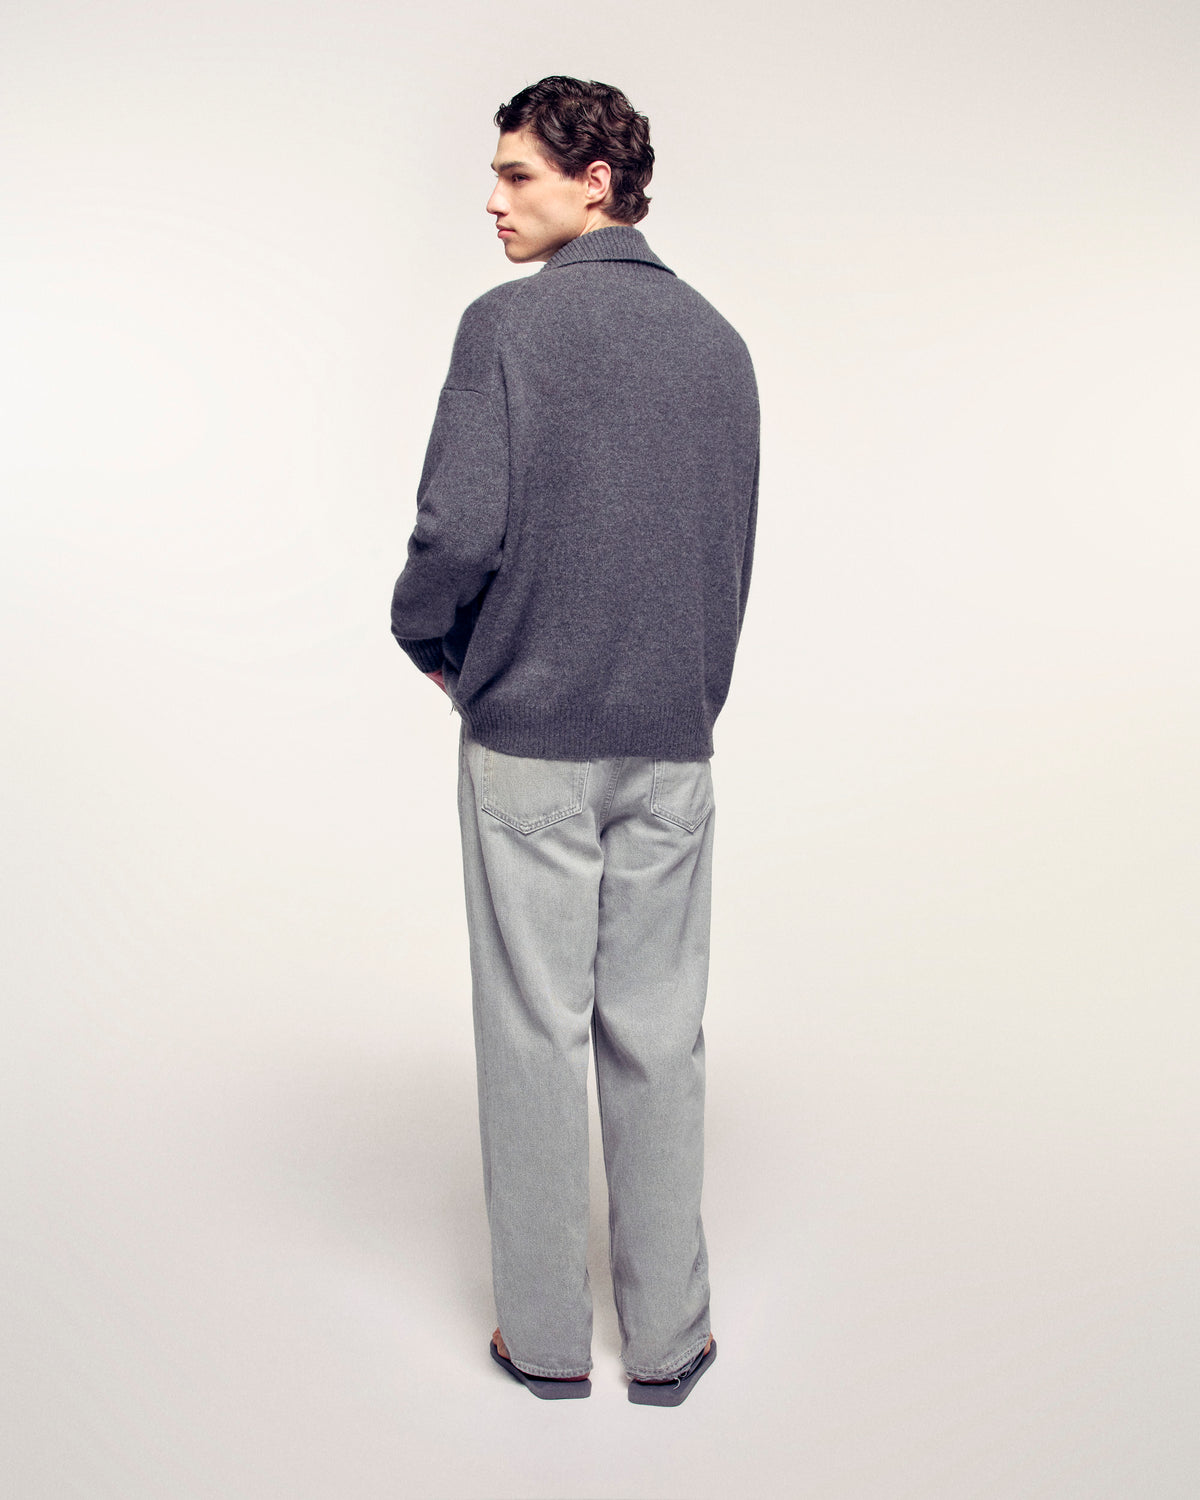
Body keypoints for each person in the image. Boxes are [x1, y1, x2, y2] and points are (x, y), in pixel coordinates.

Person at [389, 76, 760, 1406]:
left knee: (533, 1035)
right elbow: (730, 550)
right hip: (672, 741)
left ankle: (546, 1342)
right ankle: (670, 1341)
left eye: (518, 175)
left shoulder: (506, 329)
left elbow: (455, 534)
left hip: (531, 742)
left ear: (595, 181)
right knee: (662, 1035)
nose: (493, 201)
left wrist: (432, 642)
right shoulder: (720, 344)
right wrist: (691, 692)